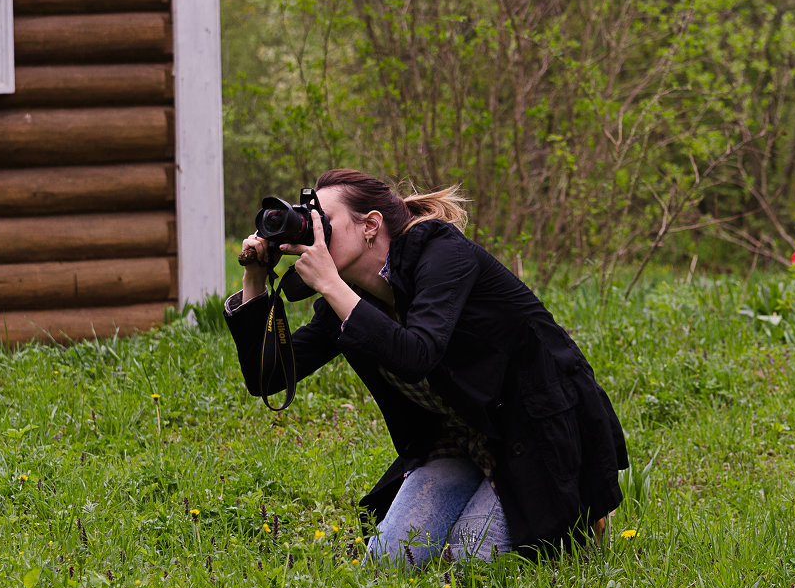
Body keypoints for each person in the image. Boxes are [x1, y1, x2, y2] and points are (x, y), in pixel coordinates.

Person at [224, 169, 628, 567]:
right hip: (460, 442)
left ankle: (580, 511)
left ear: (371, 225)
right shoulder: (346, 300)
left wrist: (331, 284)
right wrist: (254, 278)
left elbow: (417, 354)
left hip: (535, 434)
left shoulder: (440, 252)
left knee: (473, 559)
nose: (315, 235)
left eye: (324, 223)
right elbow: (269, 378)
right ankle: (488, 498)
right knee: (388, 561)